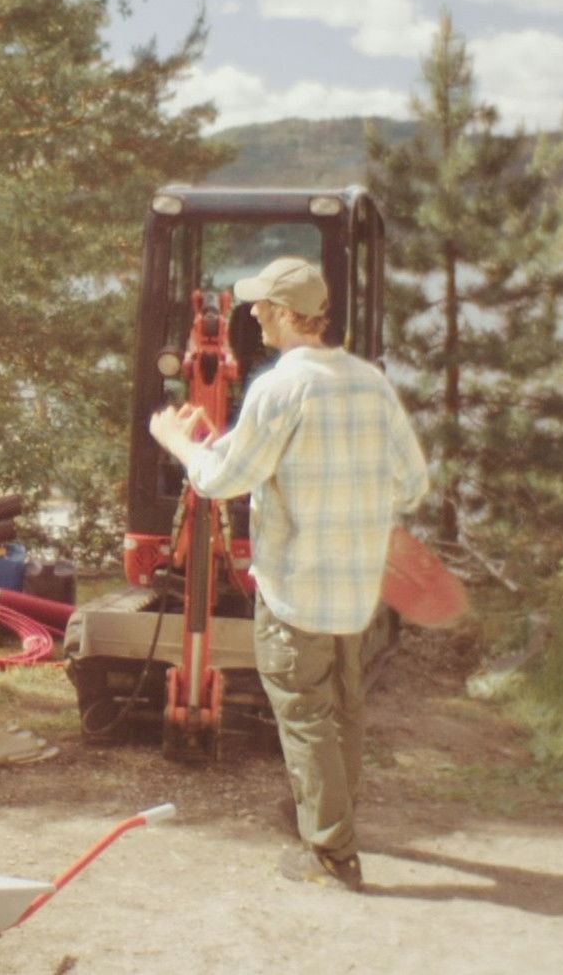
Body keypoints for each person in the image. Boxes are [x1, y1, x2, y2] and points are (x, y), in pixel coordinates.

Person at [147, 256, 428, 892]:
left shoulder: (281, 387)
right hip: (354, 588)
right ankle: (326, 816)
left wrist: (179, 442)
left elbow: (221, 480)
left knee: (304, 715)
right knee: (342, 710)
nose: (249, 314)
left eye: (258, 306)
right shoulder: (368, 382)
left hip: (296, 586)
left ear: (280, 312)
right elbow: (409, 484)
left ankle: (330, 854)